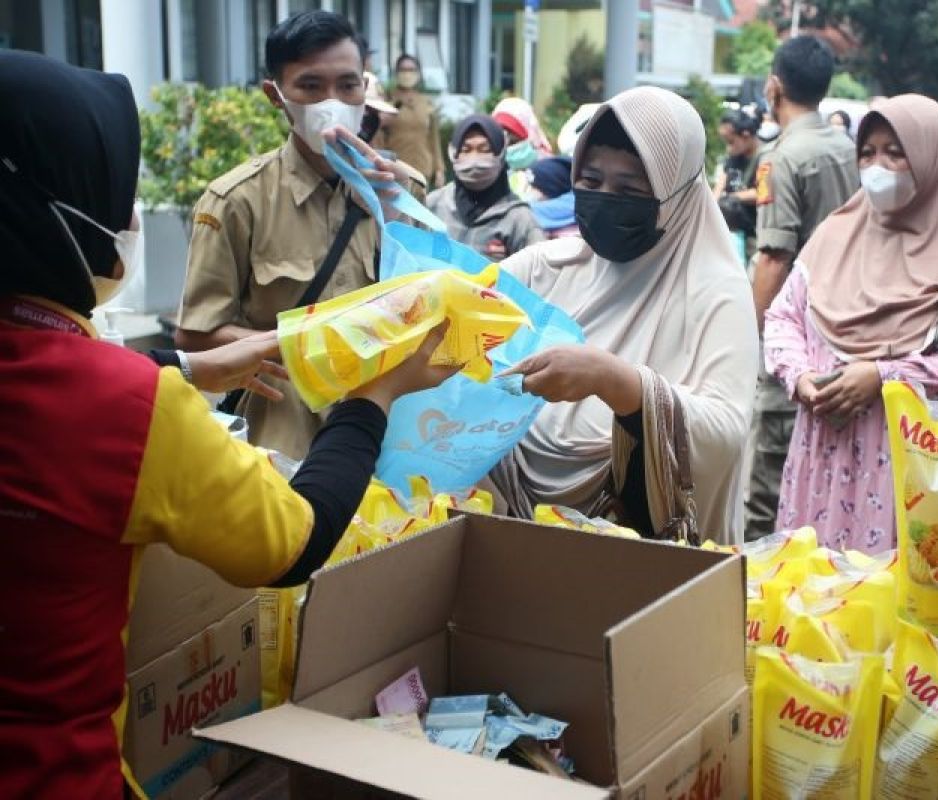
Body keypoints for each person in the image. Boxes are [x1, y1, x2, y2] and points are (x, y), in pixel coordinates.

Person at [0, 50, 456, 800]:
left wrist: (185, 372)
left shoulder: (379, 191)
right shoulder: (122, 407)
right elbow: (292, 543)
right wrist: (373, 396)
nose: (132, 215)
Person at [490, 87, 758, 545]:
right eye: (590, 182)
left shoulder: (715, 292)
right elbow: (454, 297)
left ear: (677, 196)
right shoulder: (547, 269)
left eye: (630, 189)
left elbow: (724, 434)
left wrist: (617, 382)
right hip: (518, 540)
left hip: (644, 563)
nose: (603, 199)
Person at [764, 94, 938, 551]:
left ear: (932, 158)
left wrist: (884, 376)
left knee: (896, 598)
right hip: (822, 450)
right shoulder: (837, 233)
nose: (877, 166)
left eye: (895, 153)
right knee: (819, 589)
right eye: (868, 153)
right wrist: (799, 376)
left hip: (910, 459)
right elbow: (783, 316)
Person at [176, 11, 422, 461]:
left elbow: (436, 310)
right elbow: (196, 338)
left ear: (365, 89)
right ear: (276, 95)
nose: (333, 102)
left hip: (390, 438)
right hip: (283, 445)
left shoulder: (403, 191)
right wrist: (305, 343)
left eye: (348, 85)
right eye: (311, 86)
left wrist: (395, 213)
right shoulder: (235, 201)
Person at [745, 35, 858, 540]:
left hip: (795, 328)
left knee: (769, 468)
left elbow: (773, 256)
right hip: (848, 326)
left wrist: (756, 331)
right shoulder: (846, 147)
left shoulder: (781, 159)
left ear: (775, 87)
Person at [426, 114, 545, 260]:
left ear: (500, 154)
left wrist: (511, 264)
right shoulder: (433, 205)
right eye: (466, 149)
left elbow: (538, 271)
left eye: (485, 149)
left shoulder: (519, 218)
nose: (474, 159)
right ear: (454, 153)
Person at [380, 54, 444, 188]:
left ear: (418, 74)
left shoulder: (426, 102)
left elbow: (434, 140)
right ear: (396, 73)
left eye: (411, 70)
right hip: (395, 169)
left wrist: (439, 170)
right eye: (403, 70)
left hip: (422, 169)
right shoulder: (387, 100)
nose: (407, 74)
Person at [712, 105, 764, 253]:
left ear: (746, 135)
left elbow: (762, 192)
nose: (728, 148)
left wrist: (732, 197)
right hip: (733, 230)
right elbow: (721, 182)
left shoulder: (766, 157)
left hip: (755, 232)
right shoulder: (734, 157)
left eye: (731, 142)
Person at [528, 156, 579, 238]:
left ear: (551, 189)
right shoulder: (588, 205)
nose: (530, 191)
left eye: (534, 187)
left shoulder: (534, 213)